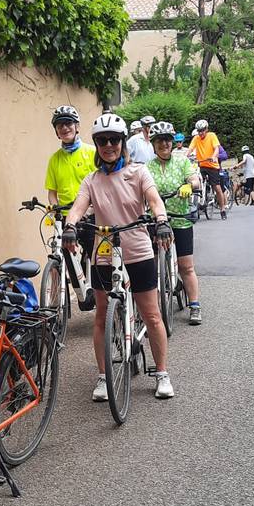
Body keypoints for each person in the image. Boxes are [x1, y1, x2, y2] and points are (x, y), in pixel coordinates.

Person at [62, 113, 175, 401]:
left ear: (122, 142)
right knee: (102, 316)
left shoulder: (138, 172)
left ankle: (161, 372)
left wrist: (160, 219)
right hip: (104, 252)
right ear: (97, 144)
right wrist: (71, 227)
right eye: (102, 140)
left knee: (151, 314)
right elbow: (77, 207)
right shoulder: (92, 180)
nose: (108, 145)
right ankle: (103, 376)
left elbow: (154, 200)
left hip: (137, 249)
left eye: (114, 139)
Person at [147, 122, 202, 325]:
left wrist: (189, 184)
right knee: (152, 265)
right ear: (153, 144)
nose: (164, 144)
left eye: (168, 140)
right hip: (155, 220)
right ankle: (151, 308)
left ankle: (194, 305)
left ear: (173, 143)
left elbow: (195, 180)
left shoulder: (182, 162)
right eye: (159, 140)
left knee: (186, 266)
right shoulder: (147, 167)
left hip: (180, 218)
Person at [45, 105, 96, 208]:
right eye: (60, 125)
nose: (64, 128)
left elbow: (103, 186)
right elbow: (52, 192)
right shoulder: (54, 159)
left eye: (68, 123)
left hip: (90, 215)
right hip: (65, 216)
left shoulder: (93, 152)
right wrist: (56, 213)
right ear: (57, 132)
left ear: (77, 127)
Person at [187, 119, 228, 219]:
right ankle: (198, 201)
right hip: (201, 164)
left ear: (206, 129)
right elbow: (190, 149)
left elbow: (216, 148)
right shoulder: (196, 138)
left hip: (212, 165)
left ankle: (222, 209)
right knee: (196, 180)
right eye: (199, 131)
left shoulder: (212, 136)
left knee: (217, 187)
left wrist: (214, 156)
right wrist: (185, 156)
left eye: (202, 130)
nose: (200, 133)